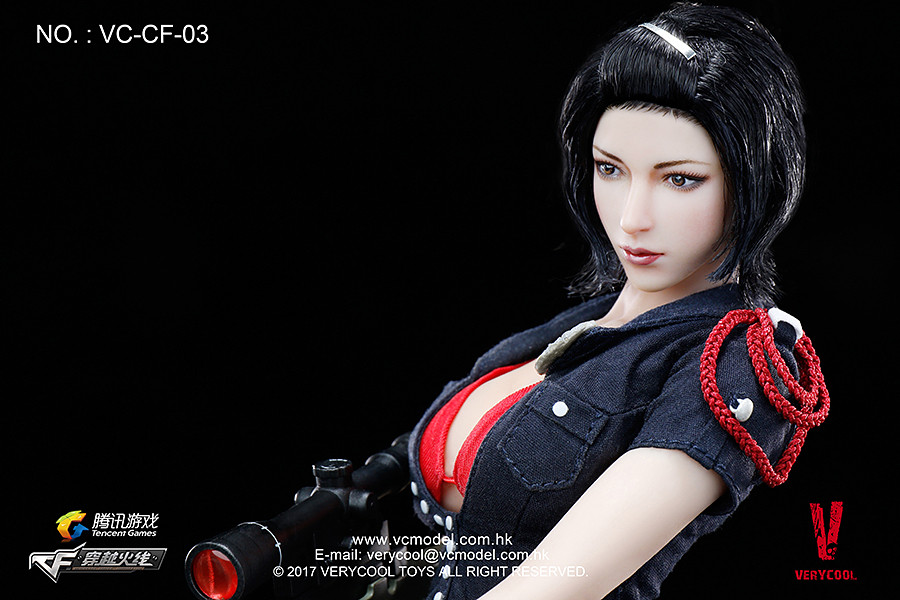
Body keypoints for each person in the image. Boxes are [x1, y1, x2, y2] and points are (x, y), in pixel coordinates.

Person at [406, 3, 830, 600]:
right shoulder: (582, 325)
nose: (631, 218)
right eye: (610, 169)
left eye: (679, 179)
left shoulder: (738, 361)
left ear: (754, 181)